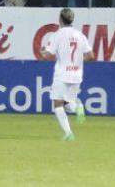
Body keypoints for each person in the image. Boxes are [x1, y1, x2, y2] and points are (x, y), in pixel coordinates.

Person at [38, 8, 94, 141]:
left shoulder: (57, 35)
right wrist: (78, 61)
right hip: (76, 74)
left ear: (60, 19)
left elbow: (48, 55)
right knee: (67, 103)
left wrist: (42, 52)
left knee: (58, 104)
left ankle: (69, 133)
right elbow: (91, 56)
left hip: (62, 74)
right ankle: (78, 107)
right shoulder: (80, 35)